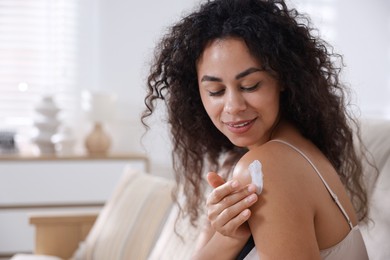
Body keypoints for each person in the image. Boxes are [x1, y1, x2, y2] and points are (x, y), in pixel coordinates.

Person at [142, 0, 370, 259]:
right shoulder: (243, 165)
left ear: (282, 79)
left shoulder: (267, 167)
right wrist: (229, 236)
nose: (233, 106)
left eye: (250, 85)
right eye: (215, 91)